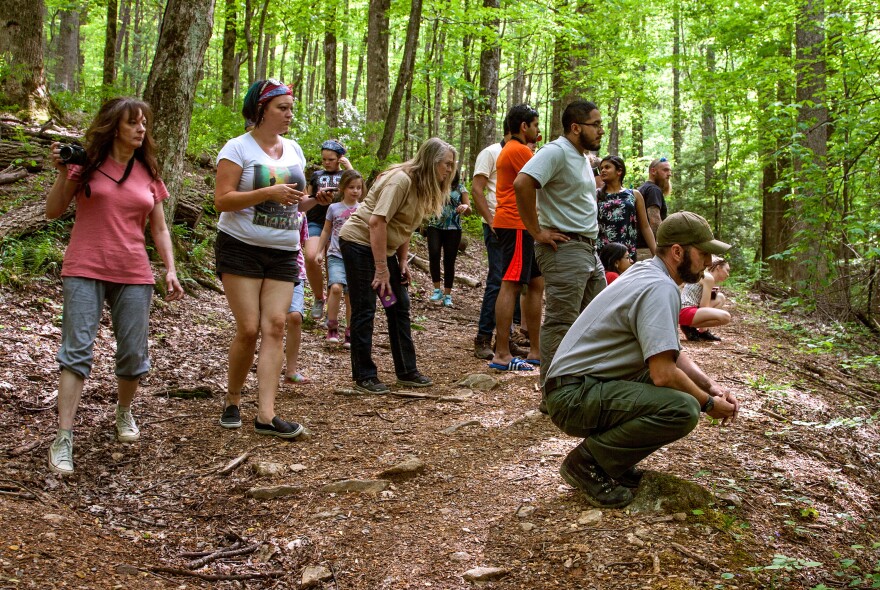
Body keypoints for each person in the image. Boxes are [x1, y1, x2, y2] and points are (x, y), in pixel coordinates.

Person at [543, 211, 739, 508]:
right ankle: (587, 464)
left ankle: (611, 462)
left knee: (685, 393)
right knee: (684, 407)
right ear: (677, 252)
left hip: (578, 386)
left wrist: (711, 386)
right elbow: (663, 373)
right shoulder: (659, 287)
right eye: (703, 253)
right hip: (574, 396)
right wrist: (708, 404)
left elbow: (671, 352)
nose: (708, 262)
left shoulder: (648, 271)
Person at [45, 97, 184, 475]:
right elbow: (53, 210)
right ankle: (64, 436)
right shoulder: (85, 165)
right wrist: (63, 172)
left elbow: (159, 227)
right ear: (114, 126)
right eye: (133, 123)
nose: (141, 129)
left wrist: (169, 269)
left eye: (144, 123)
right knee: (76, 351)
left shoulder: (148, 172)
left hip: (134, 273)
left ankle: (123, 411)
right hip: (84, 267)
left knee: (133, 354)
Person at [214, 79, 308, 438]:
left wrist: (317, 202)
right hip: (241, 246)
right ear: (261, 110)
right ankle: (233, 399)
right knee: (249, 328)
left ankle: (266, 415)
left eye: (290, 108)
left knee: (276, 326)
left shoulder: (295, 149)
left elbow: (296, 200)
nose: (289, 114)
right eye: (282, 108)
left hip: (284, 249)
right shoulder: (237, 148)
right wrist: (266, 191)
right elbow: (222, 200)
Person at [338, 138, 455, 393]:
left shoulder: (424, 187)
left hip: (383, 250)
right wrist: (382, 269)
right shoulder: (400, 180)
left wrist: (401, 262)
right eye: (446, 164)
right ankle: (364, 376)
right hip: (359, 245)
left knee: (398, 305)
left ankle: (406, 371)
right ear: (431, 161)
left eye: (451, 165)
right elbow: (377, 222)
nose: (449, 170)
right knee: (365, 308)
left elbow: (405, 227)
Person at [515, 100, 606, 387]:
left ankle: (582, 384)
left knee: (598, 318)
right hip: (564, 248)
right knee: (561, 322)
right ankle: (554, 394)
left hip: (588, 249)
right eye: (596, 124)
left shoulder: (580, 156)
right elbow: (522, 183)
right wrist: (536, 231)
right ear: (576, 127)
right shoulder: (556, 151)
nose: (601, 130)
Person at [489, 104, 543, 372]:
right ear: (524, 126)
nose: (538, 130)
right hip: (516, 224)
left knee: (536, 283)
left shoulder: (513, 150)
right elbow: (542, 181)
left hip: (524, 225)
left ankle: (536, 350)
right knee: (510, 284)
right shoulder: (518, 150)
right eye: (535, 125)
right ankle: (501, 354)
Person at [470, 122, 528, 359]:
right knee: (498, 280)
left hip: (516, 226)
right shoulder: (491, 152)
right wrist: (490, 220)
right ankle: (483, 338)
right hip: (498, 226)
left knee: (513, 282)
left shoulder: (521, 153)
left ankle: (504, 339)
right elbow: (476, 189)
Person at [301, 140, 352, 320]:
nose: (327, 162)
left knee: (334, 270)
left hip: (338, 225)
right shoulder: (316, 175)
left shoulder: (346, 175)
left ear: (339, 158)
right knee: (312, 257)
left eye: (331, 159)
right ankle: (318, 298)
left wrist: (349, 167)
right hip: (315, 221)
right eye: (324, 159)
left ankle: (331, 316)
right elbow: (307, 196)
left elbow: (357, 191)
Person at [315, 169, 364, 345]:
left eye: (358, 187)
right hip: (335, 254)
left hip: (355, 257)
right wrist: (320, 251)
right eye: (351, 187)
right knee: (335, 288)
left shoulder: (363, 209)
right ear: (343, 188)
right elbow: (326, 230)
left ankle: (350, 330)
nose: (355, 191)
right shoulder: (333, 208)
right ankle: (332, 326)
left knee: (351, 295)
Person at [596, 155, 656, 262]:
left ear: (619, 171)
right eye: (601, 168)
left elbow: (645, 227)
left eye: (607, 167)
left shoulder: (634, 195)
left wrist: (656, 255)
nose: (603, 170)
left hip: (627, 253)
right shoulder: (597, 195)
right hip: (604, 253)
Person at [426, 168, 471, 308]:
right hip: (434, 225)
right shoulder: (435, 185)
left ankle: (447, 294)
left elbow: (469, 210)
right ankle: (437, 290)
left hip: (453, 228)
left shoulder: (460, 188)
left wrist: (464, 206)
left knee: (449, 260)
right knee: (433, 254)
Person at [284, 211, 311, 383]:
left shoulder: (301, 214)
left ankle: (291, 370)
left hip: (296, 271)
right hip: (269, 271)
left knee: (295, 317)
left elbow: (302, 241)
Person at [680, 257, 731, 342]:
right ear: (718, 268)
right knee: (726, 317)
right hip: (685, 311)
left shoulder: (706, 275)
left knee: (720, 298)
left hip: (687, 310)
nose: (728, 274)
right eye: (727, 270)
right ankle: (688, 326)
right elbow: (704, 306)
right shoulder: (708, 278)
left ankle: (702, 331)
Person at [636, 157, 672, 260]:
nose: (669, 174)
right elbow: (654, 220)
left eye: (670, 171)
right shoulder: (653, 190)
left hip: (639, 248)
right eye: (665, 170)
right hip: (648, 250)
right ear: (653, 171)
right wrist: (665, 247)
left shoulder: (642, 189)